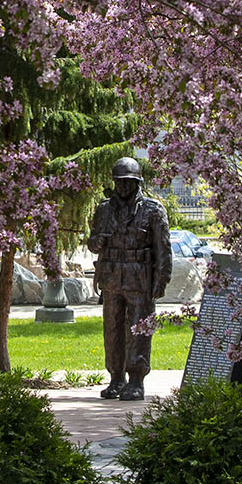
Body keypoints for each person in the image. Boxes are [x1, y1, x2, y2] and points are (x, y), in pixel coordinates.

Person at [86, 157, 172, 400]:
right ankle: (116, 378)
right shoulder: (104, 209)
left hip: (139, 279)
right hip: (112, 278)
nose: (123, 186)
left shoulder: (153, 209)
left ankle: (136, 380)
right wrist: (97, 242)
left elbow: (163, 249)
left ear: (138, 182)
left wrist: (161, 280)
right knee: (112, 330)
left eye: (128, 182)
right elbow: (93, 243)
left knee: (139, 330)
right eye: (119, 182)